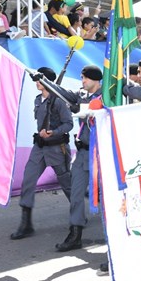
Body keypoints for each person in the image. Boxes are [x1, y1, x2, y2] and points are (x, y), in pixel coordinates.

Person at [11, 67, 73, 240]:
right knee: (28, 181)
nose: (37, 82)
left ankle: (78, 216)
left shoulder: (59, 101)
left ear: (47, 82)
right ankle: (26, 223)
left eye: (40, 79)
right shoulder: (38, 100)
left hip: (56, 148)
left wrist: (54, 132)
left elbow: (68, 124)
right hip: (39, 148)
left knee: (67, 184)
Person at [56, 65, 103, 252]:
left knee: (108, 198)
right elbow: (62, 92)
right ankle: (75, 234)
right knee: (75, 196)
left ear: (95, 79)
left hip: (100, 153)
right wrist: (43, 79)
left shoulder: (108, 97)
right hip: (82, 153)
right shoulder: (81, 95)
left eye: (85, 78)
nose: (82, 81)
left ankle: (115, 235)